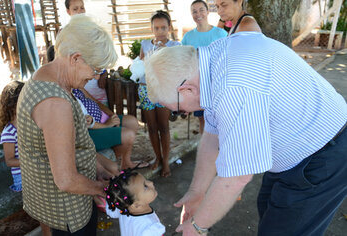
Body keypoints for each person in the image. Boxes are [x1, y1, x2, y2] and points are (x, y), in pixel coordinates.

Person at [144, 32, 347, 235]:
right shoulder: (211, 61)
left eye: (177, 110)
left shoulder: (232, 88)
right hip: (300, 149)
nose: (184, 114)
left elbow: (236, 177)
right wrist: (197, 192)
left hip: (323, 155)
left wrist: (197, 227)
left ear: (187, 89)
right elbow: (212, 135)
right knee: (268, 211)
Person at [17, 14, 119, 234]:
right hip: (67, 212)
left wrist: (98, 167)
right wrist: (105, 189)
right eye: (96, 69)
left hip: (55, 207)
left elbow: (65, 149)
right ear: (76, 58)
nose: (94, 77)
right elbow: (66, 180)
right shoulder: (55, 103)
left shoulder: (45, 77)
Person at [0, 81, 52, 236]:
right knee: (45, 199)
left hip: (35, 170)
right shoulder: (9, 131)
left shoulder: (29, 123)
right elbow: (9, 160)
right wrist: (33, 160)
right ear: (13, 104)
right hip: (23, 176)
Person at [138, 10, 180, 177]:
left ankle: (166, 161)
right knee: (152, 127)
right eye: (156, 28)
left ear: (169, 27)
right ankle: (158, 157)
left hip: (164, 89)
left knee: (164, 126)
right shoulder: (145, 44)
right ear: (152, 29)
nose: (160, 31)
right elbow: (140, 66)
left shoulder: (174, 46)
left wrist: (165, 53)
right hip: (146, 88)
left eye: (163, 27)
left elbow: (176, 67)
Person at [182, 0, 227, 134]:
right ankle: (206, 149)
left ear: (207, 12)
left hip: (217, 84)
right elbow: (184, 61)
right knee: (203, 119)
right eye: (194, 11)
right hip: (199, 86)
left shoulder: (221, 34)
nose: (198, 14)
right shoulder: (187, 37)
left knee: (220, 119)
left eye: (201, 10)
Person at [72, 88, 145, 170]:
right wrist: (107, 125)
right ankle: (109, 163)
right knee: (128, 135)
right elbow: (87, 123)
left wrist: (113, 116)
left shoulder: (77, 88)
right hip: (91, 130)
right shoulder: (66, 95)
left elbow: (97, 102)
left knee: (132, 122)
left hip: (103, 119)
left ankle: (126, 162)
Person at [104, 168, 165, 236]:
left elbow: (111, 212)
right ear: (136, 204)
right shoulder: (150, 228)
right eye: (145, 187)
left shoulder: (123, 207)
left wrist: (113, 194)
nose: (151, 183)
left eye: (146, 180)